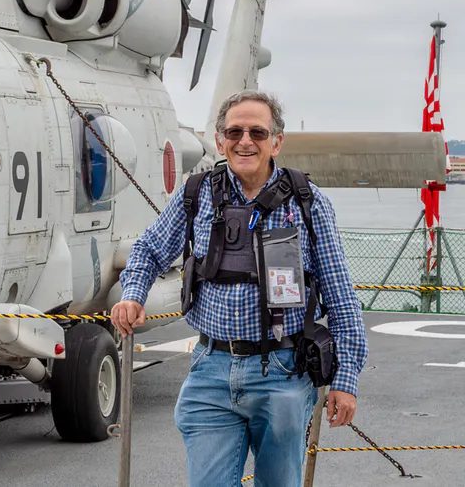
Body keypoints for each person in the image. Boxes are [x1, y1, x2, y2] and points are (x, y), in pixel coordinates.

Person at [111, 91, 367, 486]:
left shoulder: (307, 203)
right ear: (219, 141)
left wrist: (345, 382)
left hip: (282, 373)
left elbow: (340, 296)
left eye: (257, 132)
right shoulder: (196, 194)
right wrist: (133, 293)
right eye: (234, 131)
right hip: (210, 370)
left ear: (276, 142)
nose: (245, 140)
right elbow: (148, 249)